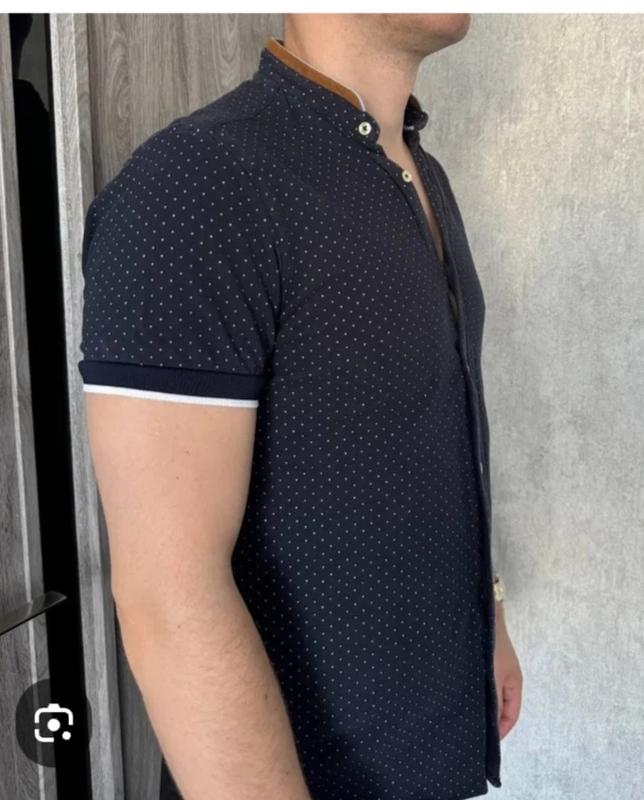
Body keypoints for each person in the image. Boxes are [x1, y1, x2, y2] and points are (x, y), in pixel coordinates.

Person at [78, 13, 523, 800]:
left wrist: (488, 618)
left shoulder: (420, 172)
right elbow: (168, 595)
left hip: (432, 756)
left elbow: (434, 441)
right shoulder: (196, 182)